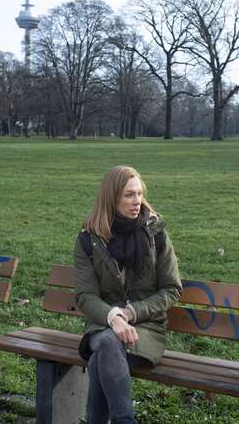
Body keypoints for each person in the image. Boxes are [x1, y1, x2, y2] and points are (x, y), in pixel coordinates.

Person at [74, 165, 182, 424]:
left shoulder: (156, 234)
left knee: (103, 354)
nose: (137, 202)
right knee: (109, 342)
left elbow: (172, 289)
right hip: (103, 323)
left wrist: (132, 312)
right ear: (111, 198)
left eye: (139, 194)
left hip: (146, 328)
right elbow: (85, 296)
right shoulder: (89, 239)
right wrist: (113, 316)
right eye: (129, 195)